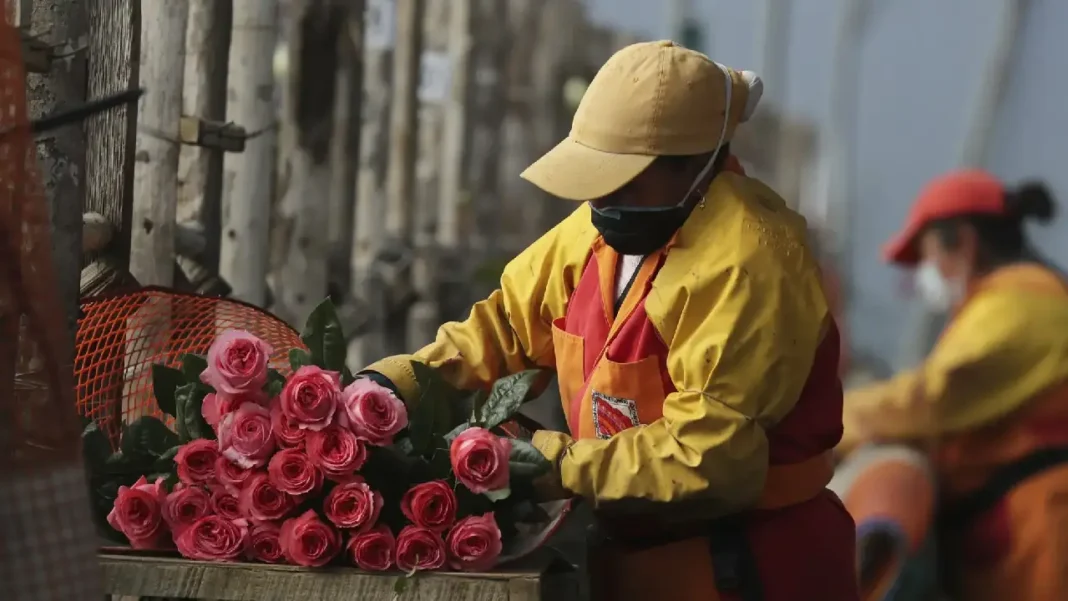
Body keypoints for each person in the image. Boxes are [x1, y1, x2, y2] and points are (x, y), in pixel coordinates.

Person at [363, 40, 858, 601]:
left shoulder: (750, 262)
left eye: (628, 178)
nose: (606, 195)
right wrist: (393, 384)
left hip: (747, 564)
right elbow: (504, 326)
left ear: (697, 166)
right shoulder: (600, 228)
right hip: (628, 550)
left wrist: (551, 463)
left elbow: (711, 458)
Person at [838, 169, 1068, 601]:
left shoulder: (1023, 306)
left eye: (925, 257)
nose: (923, 276)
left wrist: (827, 421)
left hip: (1039, 535)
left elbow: (930, 399)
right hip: (1008, 531)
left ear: (962, 242)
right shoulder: (1005, 302)